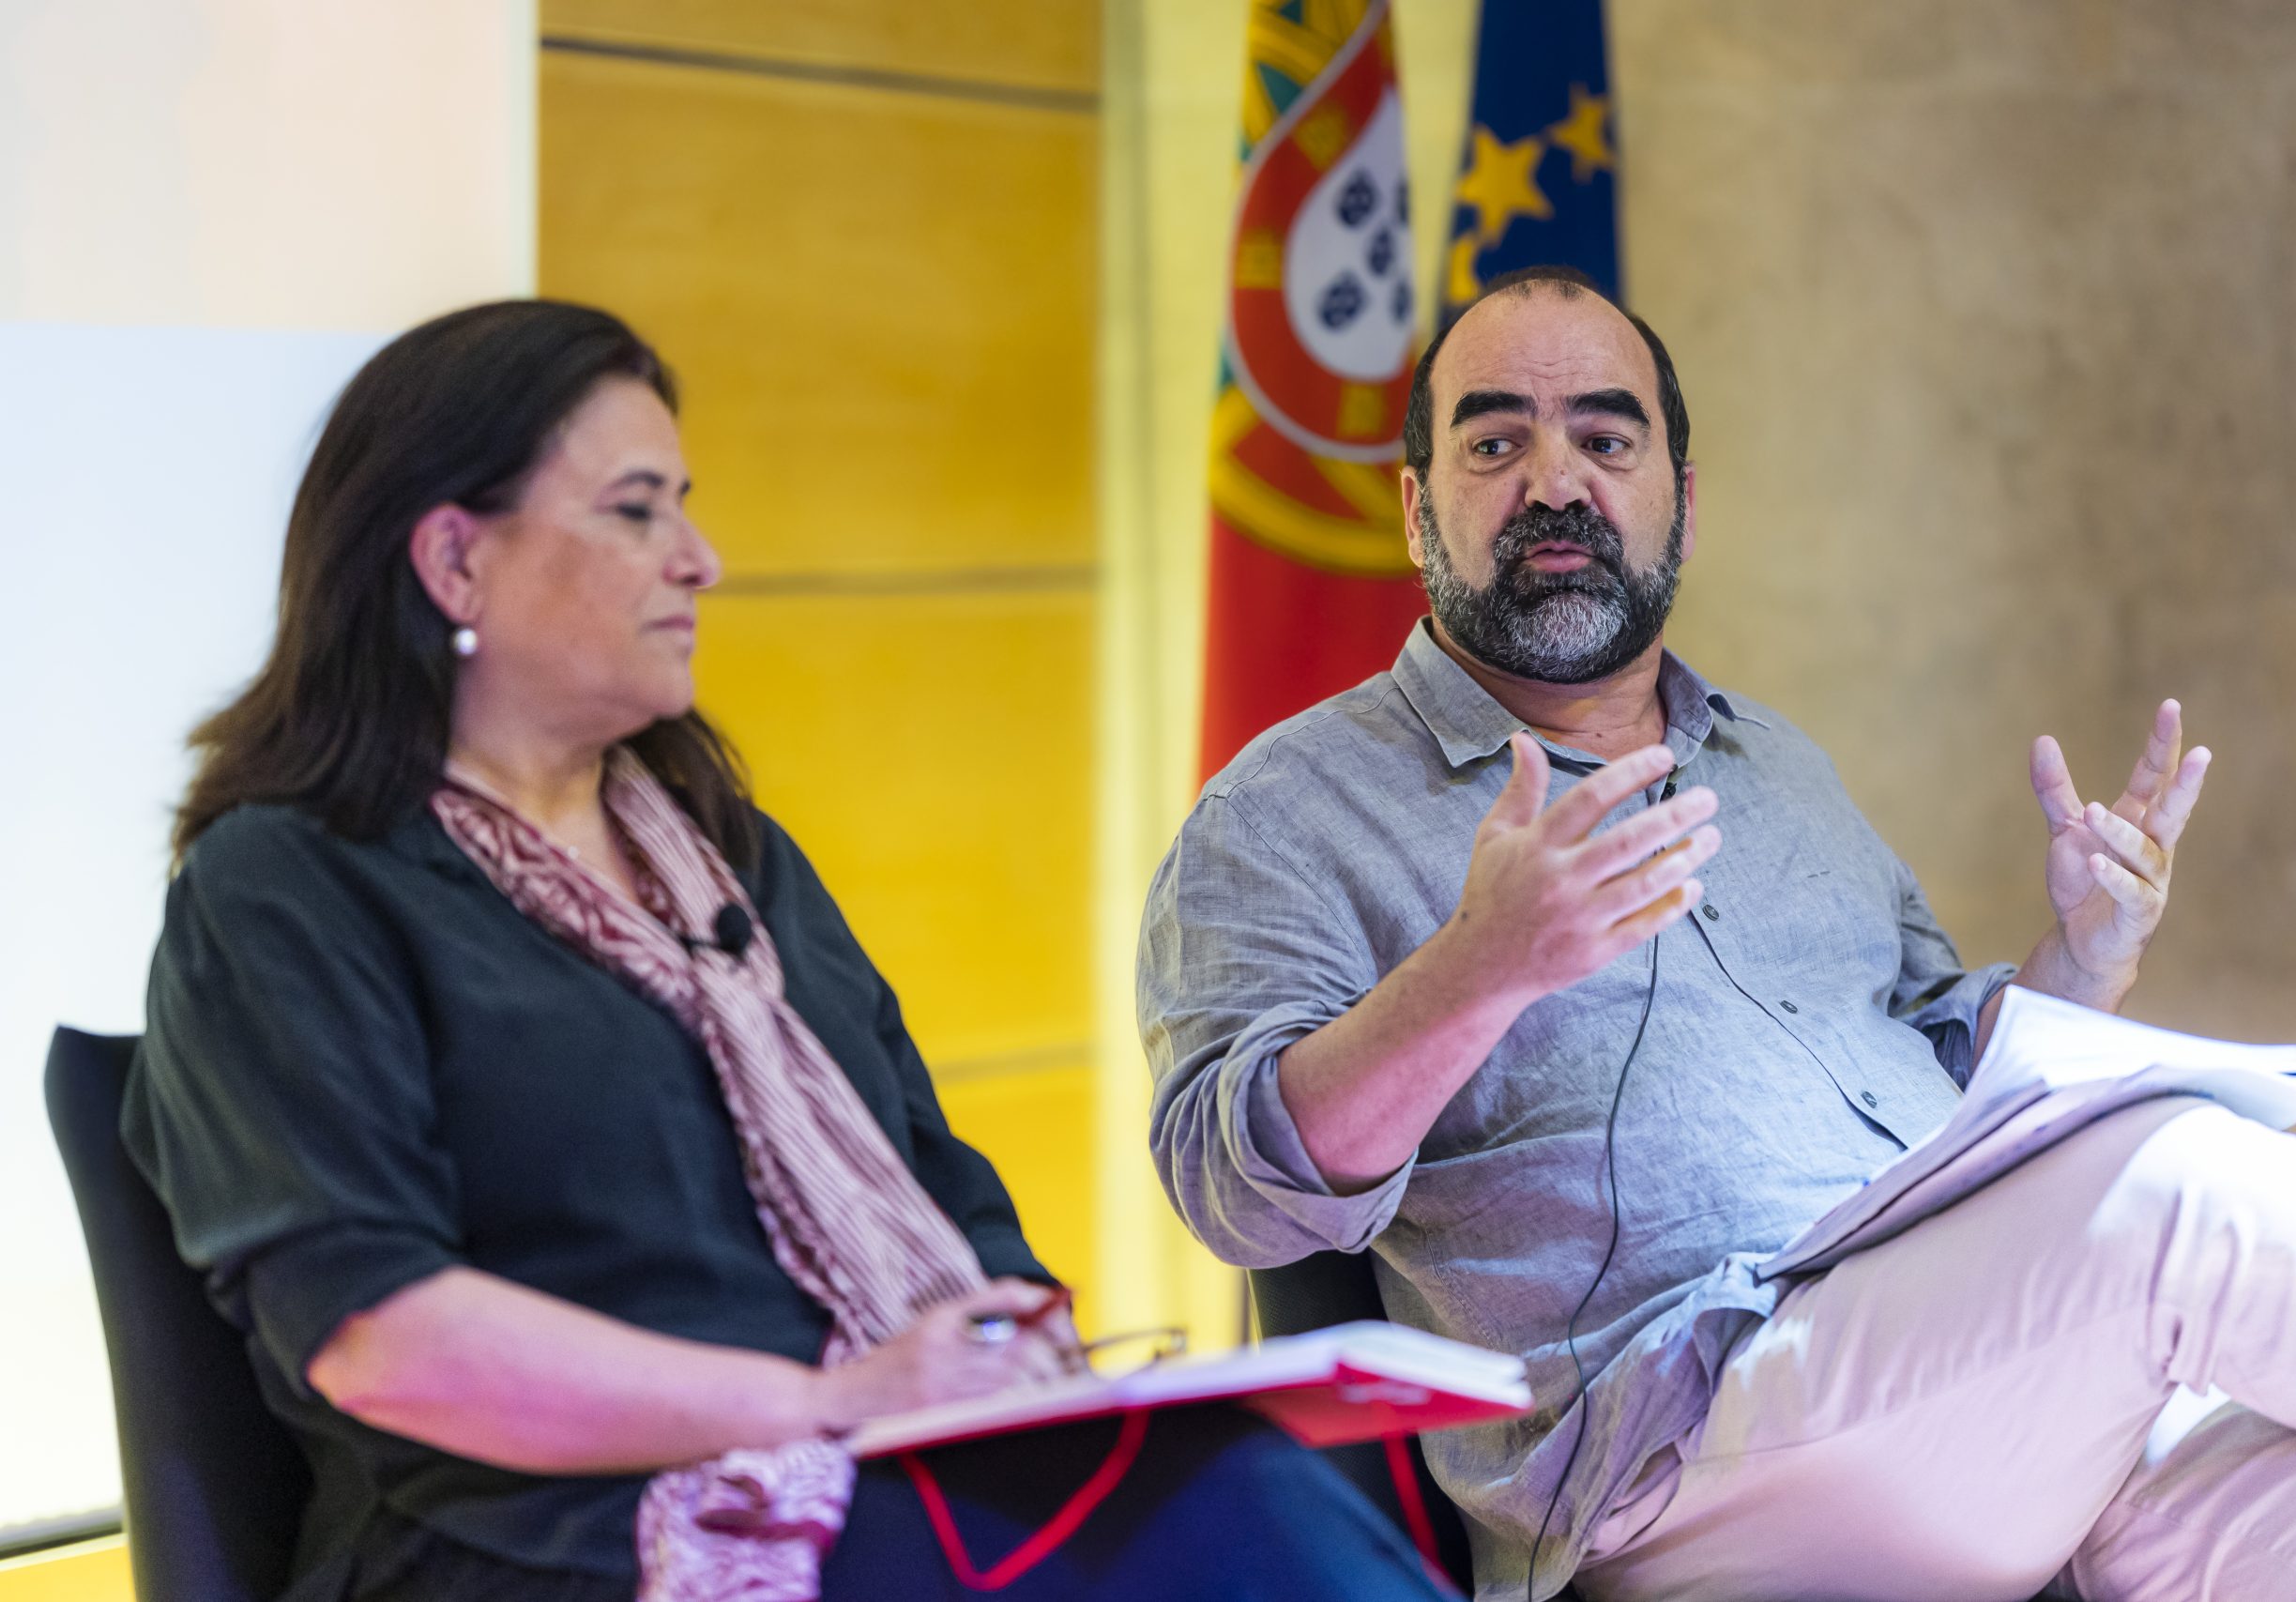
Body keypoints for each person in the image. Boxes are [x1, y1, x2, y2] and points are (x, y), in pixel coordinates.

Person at [126, 299, 1454, 1602]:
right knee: (1222, 1530)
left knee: (1233, 1483)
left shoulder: (727, 854)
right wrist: (833, 1401)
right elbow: (380, 1341)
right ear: (454, 561)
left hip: (886, 1471)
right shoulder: (285, 890)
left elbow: (940, 1183)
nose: (699, 559)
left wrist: (1017, 1352)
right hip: (556, 1543)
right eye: (637, 511)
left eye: (683, 507)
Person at [1138, 265, 2296, 1602]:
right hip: (1686, 1443)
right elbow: (1235, 1194)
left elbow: (1952, 1074)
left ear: (1682, 502)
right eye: (1496, 443)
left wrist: (2085, 957)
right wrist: (1479, 970)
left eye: (1606, 440)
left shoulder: (1777, 763)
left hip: (1976, 1378)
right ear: (1415, 509)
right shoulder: (1285, 810)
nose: (1557, 483)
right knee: (2190, 1186)